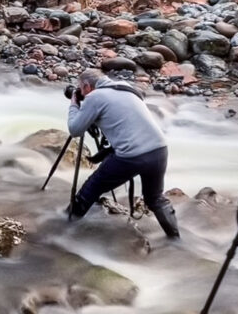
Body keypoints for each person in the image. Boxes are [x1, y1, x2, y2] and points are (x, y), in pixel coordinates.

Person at [66, 68, 180, 238]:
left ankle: (63, 226)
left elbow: (75, 130)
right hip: (159, 149)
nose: (81, 93)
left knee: (91, 188)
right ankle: (175, 238)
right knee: (154, 198)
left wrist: (75, 104)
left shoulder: (94, 97)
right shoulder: (125, 86)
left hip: (132, 156)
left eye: (80, 89)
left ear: (87, 86)